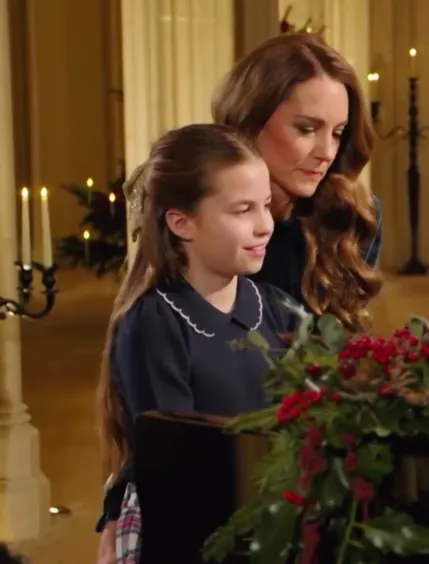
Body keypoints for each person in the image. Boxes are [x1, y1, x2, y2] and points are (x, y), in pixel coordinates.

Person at [94, 124, 298, 563]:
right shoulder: (155, 327)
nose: (265, 225)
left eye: (265, 205)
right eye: (242, 210)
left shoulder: (281, 311)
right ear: (181, 222)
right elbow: (174, 471)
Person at [125, 32, 383, 332]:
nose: (326, 153)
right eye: (306, 129)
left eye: (338, 133)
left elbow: (341, 358)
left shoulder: (352, 215)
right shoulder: (190, 200)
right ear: (250, 117)